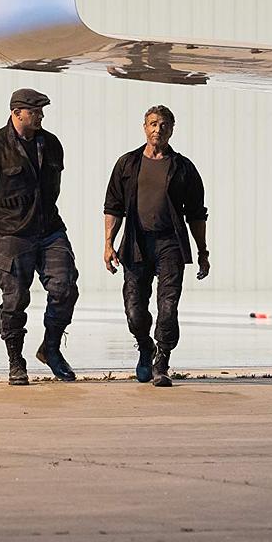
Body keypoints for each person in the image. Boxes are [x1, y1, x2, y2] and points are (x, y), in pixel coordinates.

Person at [0, 88, 79, 385]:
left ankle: (51, 349)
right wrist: (1, 229)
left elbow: (54, 188)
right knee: (15, 300)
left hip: (50, 231)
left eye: (42, 111)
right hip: (13, 237)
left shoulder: (52, 144)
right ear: (16, 113)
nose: (40, 116)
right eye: (35, 111)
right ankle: (16, 361)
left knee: (65, 287)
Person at [103, 105, 210, 387]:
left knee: (168, 307)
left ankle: (162, 361)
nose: (157, 129)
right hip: (136, 243)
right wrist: (108, 244)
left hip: (169, 243)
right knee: (134, 310)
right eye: (153, 124)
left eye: (163, 125)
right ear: (144, 127)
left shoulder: (183, 168)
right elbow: (113, 206)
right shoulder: (127, 164)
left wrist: (202, 251)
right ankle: (145, 346)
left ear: (171, 130)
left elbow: (197, 213)